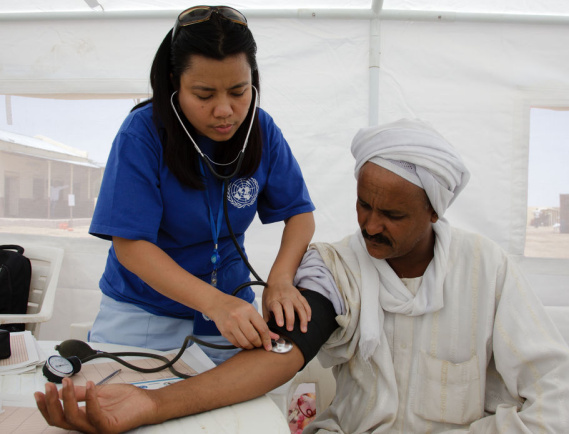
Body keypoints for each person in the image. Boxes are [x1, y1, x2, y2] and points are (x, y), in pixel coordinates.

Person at [35, 119, 569, 432]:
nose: (369, 226)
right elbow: (278, 358)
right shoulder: (336, 267)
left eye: (393, 216)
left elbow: (555, 390)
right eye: (363, 205)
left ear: (436, 213)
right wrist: (148, 403)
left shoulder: (487, 270)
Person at [86, 5, 316, 364]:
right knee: (129, 408)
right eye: (204, 95)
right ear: (174, 83)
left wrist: (281, 279)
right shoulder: (142, 134)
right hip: (144, 315)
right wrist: (214, 303)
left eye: (239, 91)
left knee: (234, 415)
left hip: (233, 313)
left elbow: (300, 214)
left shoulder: (261, 129)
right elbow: (130, 245)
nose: (224, 110)